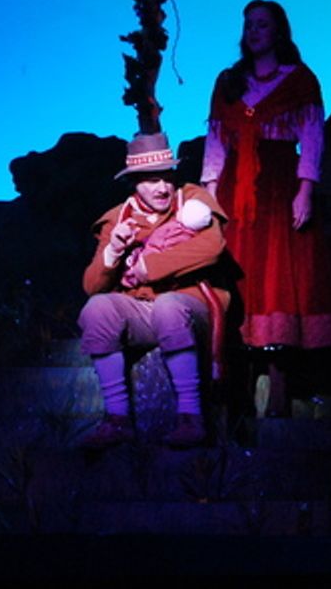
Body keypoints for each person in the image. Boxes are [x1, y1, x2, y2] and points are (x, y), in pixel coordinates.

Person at [201, 0, 331, 417]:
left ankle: (280, 389)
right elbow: (215, 142)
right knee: (237, 275)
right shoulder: (229, 82)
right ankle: (234, 389)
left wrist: (306, 189)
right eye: (248, 24)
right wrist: (209, 195)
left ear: (279, 31)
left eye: (262, 24)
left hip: (279, 187)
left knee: (279, 277)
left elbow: (312, 137)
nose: (253, 31)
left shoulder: (299, 80)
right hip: (235, 192)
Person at [77, 132, 229, 450]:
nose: (161, 188)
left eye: (166, 177)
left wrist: (150, 267)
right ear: (134, 183)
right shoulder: (118, 218)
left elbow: (212, 247)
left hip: (191, 303)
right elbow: (92, 286)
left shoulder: (193, 199)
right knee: (98, 309)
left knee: (169, 306)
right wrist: (114, 251)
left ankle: (191, 416)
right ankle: (117, 420)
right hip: (142, 308)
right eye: (150, 180)